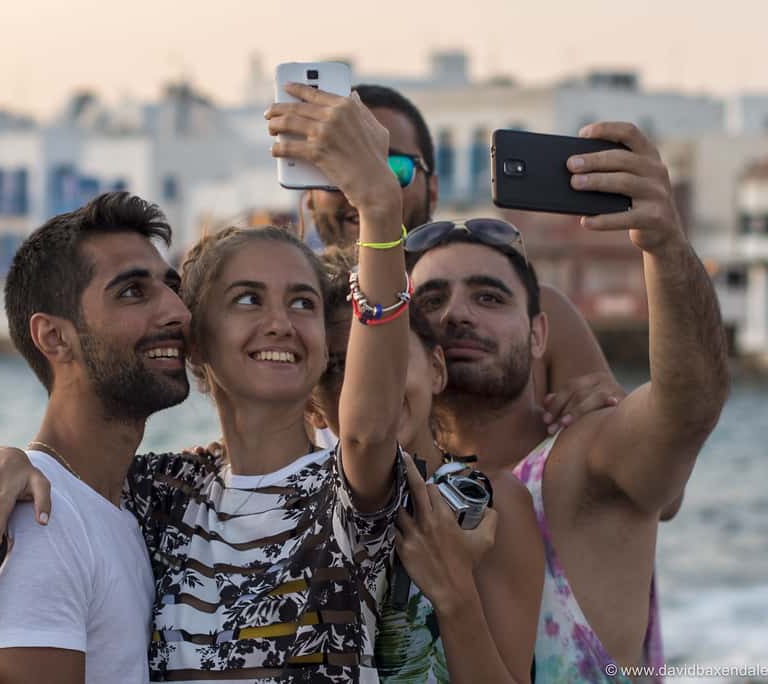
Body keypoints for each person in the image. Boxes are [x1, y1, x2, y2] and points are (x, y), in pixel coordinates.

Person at [0, 83, 419, 683]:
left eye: (303, 303)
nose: (280, 323)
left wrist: (380, 208)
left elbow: (368, 430)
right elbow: (1, 479)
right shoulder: (167, 491)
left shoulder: (345, 488)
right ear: (197, 340)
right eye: (247, 300)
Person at [403, 122, 730, 680]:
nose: (456, 314)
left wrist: (665, 245)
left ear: (538, 335)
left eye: (488, 297)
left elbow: (688, 405)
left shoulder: (585, 465)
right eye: (432, 300)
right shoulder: (389, 482)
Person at [0, 192, 191, 683]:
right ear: (54, 337)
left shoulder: (114, 507)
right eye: (133, 292)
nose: (178, 311)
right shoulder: (40, 525)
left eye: (171, 287)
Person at [305, 83, 629, 444]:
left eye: (394, 169)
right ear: (307, 196)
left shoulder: (537, 310)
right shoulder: (293, 318)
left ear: (433, 190)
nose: (363, 186)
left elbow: (630, 464)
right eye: (339, 171)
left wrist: (606, 407)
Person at [309, 246, 543, 683]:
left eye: (391, 356)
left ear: (436, 369)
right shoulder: (297, 507)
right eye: (339, 368)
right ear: (313, 406)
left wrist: (454, 593)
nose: (372, 389)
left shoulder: (490, 506)